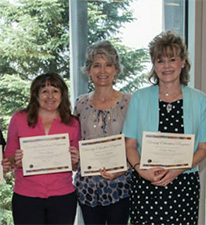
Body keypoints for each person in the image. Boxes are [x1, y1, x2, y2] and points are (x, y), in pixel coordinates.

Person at [123, 31, 206, 224]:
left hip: (184, 184)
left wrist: (179, 169)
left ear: (182, 62)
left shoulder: (200, 100)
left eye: (172, 59)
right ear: (154, 65)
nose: (167, 66)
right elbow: (130, 144)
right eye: (160, 60)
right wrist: (141, 170)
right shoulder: (139, 98)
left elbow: (204, 148)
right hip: (146, 183)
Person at [4, 72, 80, 225]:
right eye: (44, 91)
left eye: (55, 91)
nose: (50, 96)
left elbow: (75, 166)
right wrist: (16, 160)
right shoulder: (19, 119)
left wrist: (75, 160)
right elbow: (8, 159)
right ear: (36, 95)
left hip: (62, 197)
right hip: (26, 196)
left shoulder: (72, 123)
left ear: (62, 95)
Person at [74, 40, 131, 225]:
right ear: (89, 71)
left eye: (108, 65)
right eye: (96, 65)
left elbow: (136, 143)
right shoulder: (80, 103)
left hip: (120, 184)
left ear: (116, 70)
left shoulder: (129, 102)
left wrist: (122, 169)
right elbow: (75, 140)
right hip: (88, 186)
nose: (102, 71)